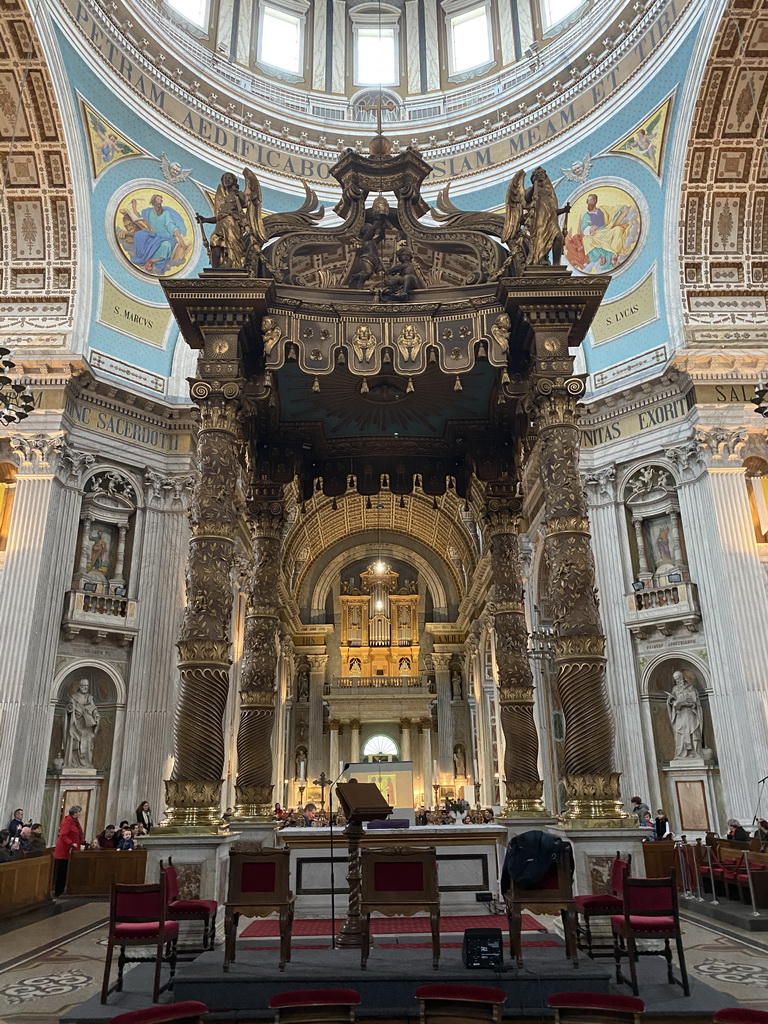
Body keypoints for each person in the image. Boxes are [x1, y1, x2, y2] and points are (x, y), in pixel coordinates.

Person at [64, 678, 100, 768]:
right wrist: (70, 709)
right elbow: (69, 708)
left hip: (87, 726)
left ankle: (87, 763)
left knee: (88, 745)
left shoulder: (89, 698)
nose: (86, 687)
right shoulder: (73, 697)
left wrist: (96, 716)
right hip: (77, 723)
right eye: (84, 685)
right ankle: (74, 763)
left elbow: (94, 709)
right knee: (76, 743)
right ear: (79, 686)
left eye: (87, 686)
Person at [53, 805, 85, 896]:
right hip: (65, 850)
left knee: (69, 871)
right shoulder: (67, 821)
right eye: (79, 812)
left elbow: (78, 834)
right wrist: (71, 843)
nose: (79, 814)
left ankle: (67, 889)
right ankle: (59, 891)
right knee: (62, 872)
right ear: (74, 813)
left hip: (73, 850)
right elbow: (63, 835)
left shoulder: (75, 822)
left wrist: (82, 842)